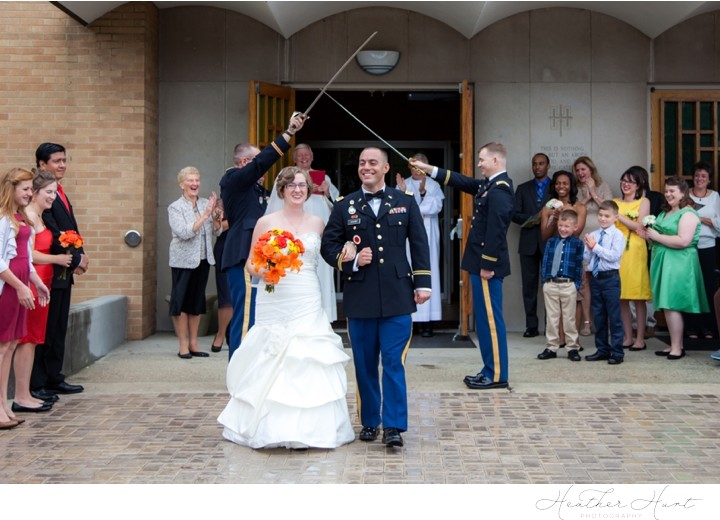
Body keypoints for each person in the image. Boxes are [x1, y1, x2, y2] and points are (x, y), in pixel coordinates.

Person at [219, 167, 354, 449]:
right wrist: (267, 269)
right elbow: (251, 263)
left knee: (307, 355)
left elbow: (330, 251)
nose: (297, 189)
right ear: (281, 190)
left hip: (306, 296)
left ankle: (310, 430)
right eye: (291, 185)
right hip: (275, 296)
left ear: (308, 190)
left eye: (302, 185)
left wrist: (348, 253)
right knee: (272, 353)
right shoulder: (266, 222)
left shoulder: (318, 221)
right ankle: (268, 426)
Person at [322, 147, 431, 448]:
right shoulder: (345, 206)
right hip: (360, 296)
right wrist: (352, 260)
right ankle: (370, 420)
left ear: (385, 168)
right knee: (365, 363)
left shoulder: (404, 202)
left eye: (372, 163)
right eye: (361, 163)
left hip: (398, 295)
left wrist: (423, 284)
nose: (366, 167)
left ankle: (394, 426)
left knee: (394, 362)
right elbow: (327, 247)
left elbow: (419, 244)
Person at [411, 143, 514, 390]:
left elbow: (497, 230)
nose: (479, 164)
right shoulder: (487, 185)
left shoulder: (500, 189)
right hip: (479, 264)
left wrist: (488, 264)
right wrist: (426, 168)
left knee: (490, 320)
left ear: (496, 161)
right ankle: (489, 369)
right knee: (484, 318)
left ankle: (497, 374)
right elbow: (458, 180)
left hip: (487, 266)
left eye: (482, 160)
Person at [221, 113, 306, 359]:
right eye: (256, 162)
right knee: (246, 314)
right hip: (243, 258)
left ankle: (254, 363)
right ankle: (239, 367)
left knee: (260, 314)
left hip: (261, 260)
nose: (262, 168)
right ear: (244, 162)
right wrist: (288, 133)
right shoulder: (233, 180)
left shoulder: (257, 189)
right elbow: (260, 165)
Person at [30, 143, 88, 400]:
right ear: (43, 165)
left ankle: (54, 376)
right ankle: (38, 382)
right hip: (50, 269)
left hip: (64, 268)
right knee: (45, 326)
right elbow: (54, 231)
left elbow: (70, 229)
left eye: (64, 160)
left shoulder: (60, 191)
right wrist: (74, 258)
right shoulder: (41, 194)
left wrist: (81, 253)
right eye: (57, 161)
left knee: (58, 327)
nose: (62, 165)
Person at [13, 171, 72, 413]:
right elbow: (29, 255)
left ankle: (26, 393)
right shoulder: (27, 216)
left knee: (35, 339)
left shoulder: (42, 216)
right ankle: (22, 395)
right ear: (35, 193)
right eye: (49, 192)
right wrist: (58, 258)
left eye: (55, 192)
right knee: (27, 340)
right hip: (32, 283)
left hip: (44, 283)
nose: (53, 197)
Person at [637, 176, 709, 360]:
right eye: (666, 190)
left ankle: (677, 347)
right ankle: (674, 345)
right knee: (667, 306)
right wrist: (647, 235)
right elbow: (658, 236)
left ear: (683, 193)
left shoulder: (688, 213)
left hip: (679, 262)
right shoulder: (665, 212)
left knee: (672, 304)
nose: (668, 194)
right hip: (664, 260)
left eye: (672, 191)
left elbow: (683, 241)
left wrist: (656, 236)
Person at [0, 168, 50, 429]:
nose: (30, 193)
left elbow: (25, 259)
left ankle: (4, 405)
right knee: (2, 346)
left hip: (20, 285)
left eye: (32, 189)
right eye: (26, 189)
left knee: (11, 344)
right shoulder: (2, 219)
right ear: (12, 189)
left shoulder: (21, 219)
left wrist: (37, 283)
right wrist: (20, 286)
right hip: (8, 287)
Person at [266, 143, 338, 322]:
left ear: (312, 158)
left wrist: (327, 192)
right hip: (292, 234)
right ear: (294, 158)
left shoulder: (324, 178)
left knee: (321, 273)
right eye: (300, 155)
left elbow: (337, 206)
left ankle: (322, 318)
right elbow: (275, 202)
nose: (304, 158)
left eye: (307, 155)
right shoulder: (285, 177)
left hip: (318, 236)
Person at [168, 167, 222, 359]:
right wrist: (206, 216)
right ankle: (183, 344)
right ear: (182, 184)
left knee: (196, 303)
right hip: (183, 261)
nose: (195, 184)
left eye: (197, 180)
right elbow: (185, 233)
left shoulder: (207, 203)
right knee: (181, 302)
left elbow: (216, 232)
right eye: (190, 180)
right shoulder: (175, 207)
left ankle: (194, 343)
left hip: (203, 260)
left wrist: (216, 219)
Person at [395, 152, 444, 337]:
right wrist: (403, 192)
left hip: (429, 236)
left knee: (427, 272)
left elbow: (435, 206)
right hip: (406, 238)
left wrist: (421, 194)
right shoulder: (403, 184)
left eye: (420, 166)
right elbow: (397, 208)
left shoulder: (434, 184)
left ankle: (428, 323)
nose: (416, 170)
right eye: (413, 166)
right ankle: (412, 320)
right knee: (408, 271)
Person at [540, 170, 587, 347]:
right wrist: (553, 217)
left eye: (565, 183)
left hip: (571, 257)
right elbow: (544, 235)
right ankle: (557, 340)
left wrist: (566, 214)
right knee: (554, 307)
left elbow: (577, 231)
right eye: (558, 183)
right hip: (554, 257)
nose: (561, 186)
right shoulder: (548, 206)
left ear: (571, 186)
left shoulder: (579, 207)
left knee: (575, 301)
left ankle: (572, 341)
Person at [537, 209, 585, 362]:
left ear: (575, 227)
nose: (563, 229)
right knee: (552, 318)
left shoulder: (578, 243)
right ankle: (551, 346)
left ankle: (572, 348)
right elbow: (545, 262)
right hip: (551, 284)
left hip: (568, 285)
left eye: (567, 226)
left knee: (569, 318)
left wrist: (576, 285)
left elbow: (579, 265)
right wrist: (544, 281)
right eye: (561, 225)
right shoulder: (551, 242)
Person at [512, 152, 551, 338]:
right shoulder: (522, 188)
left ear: (547, 166)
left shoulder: (555, 186)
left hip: (549, 242)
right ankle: (531, 325)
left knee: (551, 286)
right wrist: (534, 219)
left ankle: (550, 325)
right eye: (534, 164)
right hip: (528, 243)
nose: (537, 167)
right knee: (529, 286)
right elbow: (513, 214)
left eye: (541, 163)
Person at [583, 200, 626, 365]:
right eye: (600, 215)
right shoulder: (594, 234)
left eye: (607, 216)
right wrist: (587, 247)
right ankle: (602, 350)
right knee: (599, 316)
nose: (603, 218)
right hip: (595, 278)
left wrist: (595, 247)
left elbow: (613, 256)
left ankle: (617, 352)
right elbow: (588, 258)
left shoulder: (618, 235)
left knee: (614, 317)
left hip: (610, 278)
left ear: (615, 217)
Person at [574, 156, 613, 337]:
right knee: (585, 283)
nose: (581, 173)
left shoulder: (603, 186)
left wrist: (593, 192)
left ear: (591, 169)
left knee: (601, 280)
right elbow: (573, 211)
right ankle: (587, 323)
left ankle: (603, 322)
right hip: (582, 238)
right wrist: (585, 197)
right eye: (578, 170)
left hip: (601, 239)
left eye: (584, 169)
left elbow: (608, 209)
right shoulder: (575, 189)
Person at [614, 167, 652, 351]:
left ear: (638, 185)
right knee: (622, 296)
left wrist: (619, 216)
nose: (626, 184)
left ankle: (640, 338)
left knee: (638, 297)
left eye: (630, 181)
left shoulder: (643, 202)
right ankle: (627, 337)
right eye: (623, 180)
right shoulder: (614, 202)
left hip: (636, 250)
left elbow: (639, 225)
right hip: (618, 250)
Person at [685, 161, 720, 340]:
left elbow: (719, 223)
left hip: (708, 247)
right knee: (690, 287)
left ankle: (709, 328)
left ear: (709, 180)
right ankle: (691, 327)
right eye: (697, 175)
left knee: (708, 288)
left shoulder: (715, 197)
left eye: (704, 176)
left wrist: (708, 221)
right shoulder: (686, 194)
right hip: (687, 246)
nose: (700, 179)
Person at [210, 198, 231, 353]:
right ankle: (220, 334)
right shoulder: (222, 202)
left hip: (250, 249)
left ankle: (235, 335)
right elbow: (217, 228)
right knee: (226, 296)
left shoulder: (264, 197)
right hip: (225, 250)